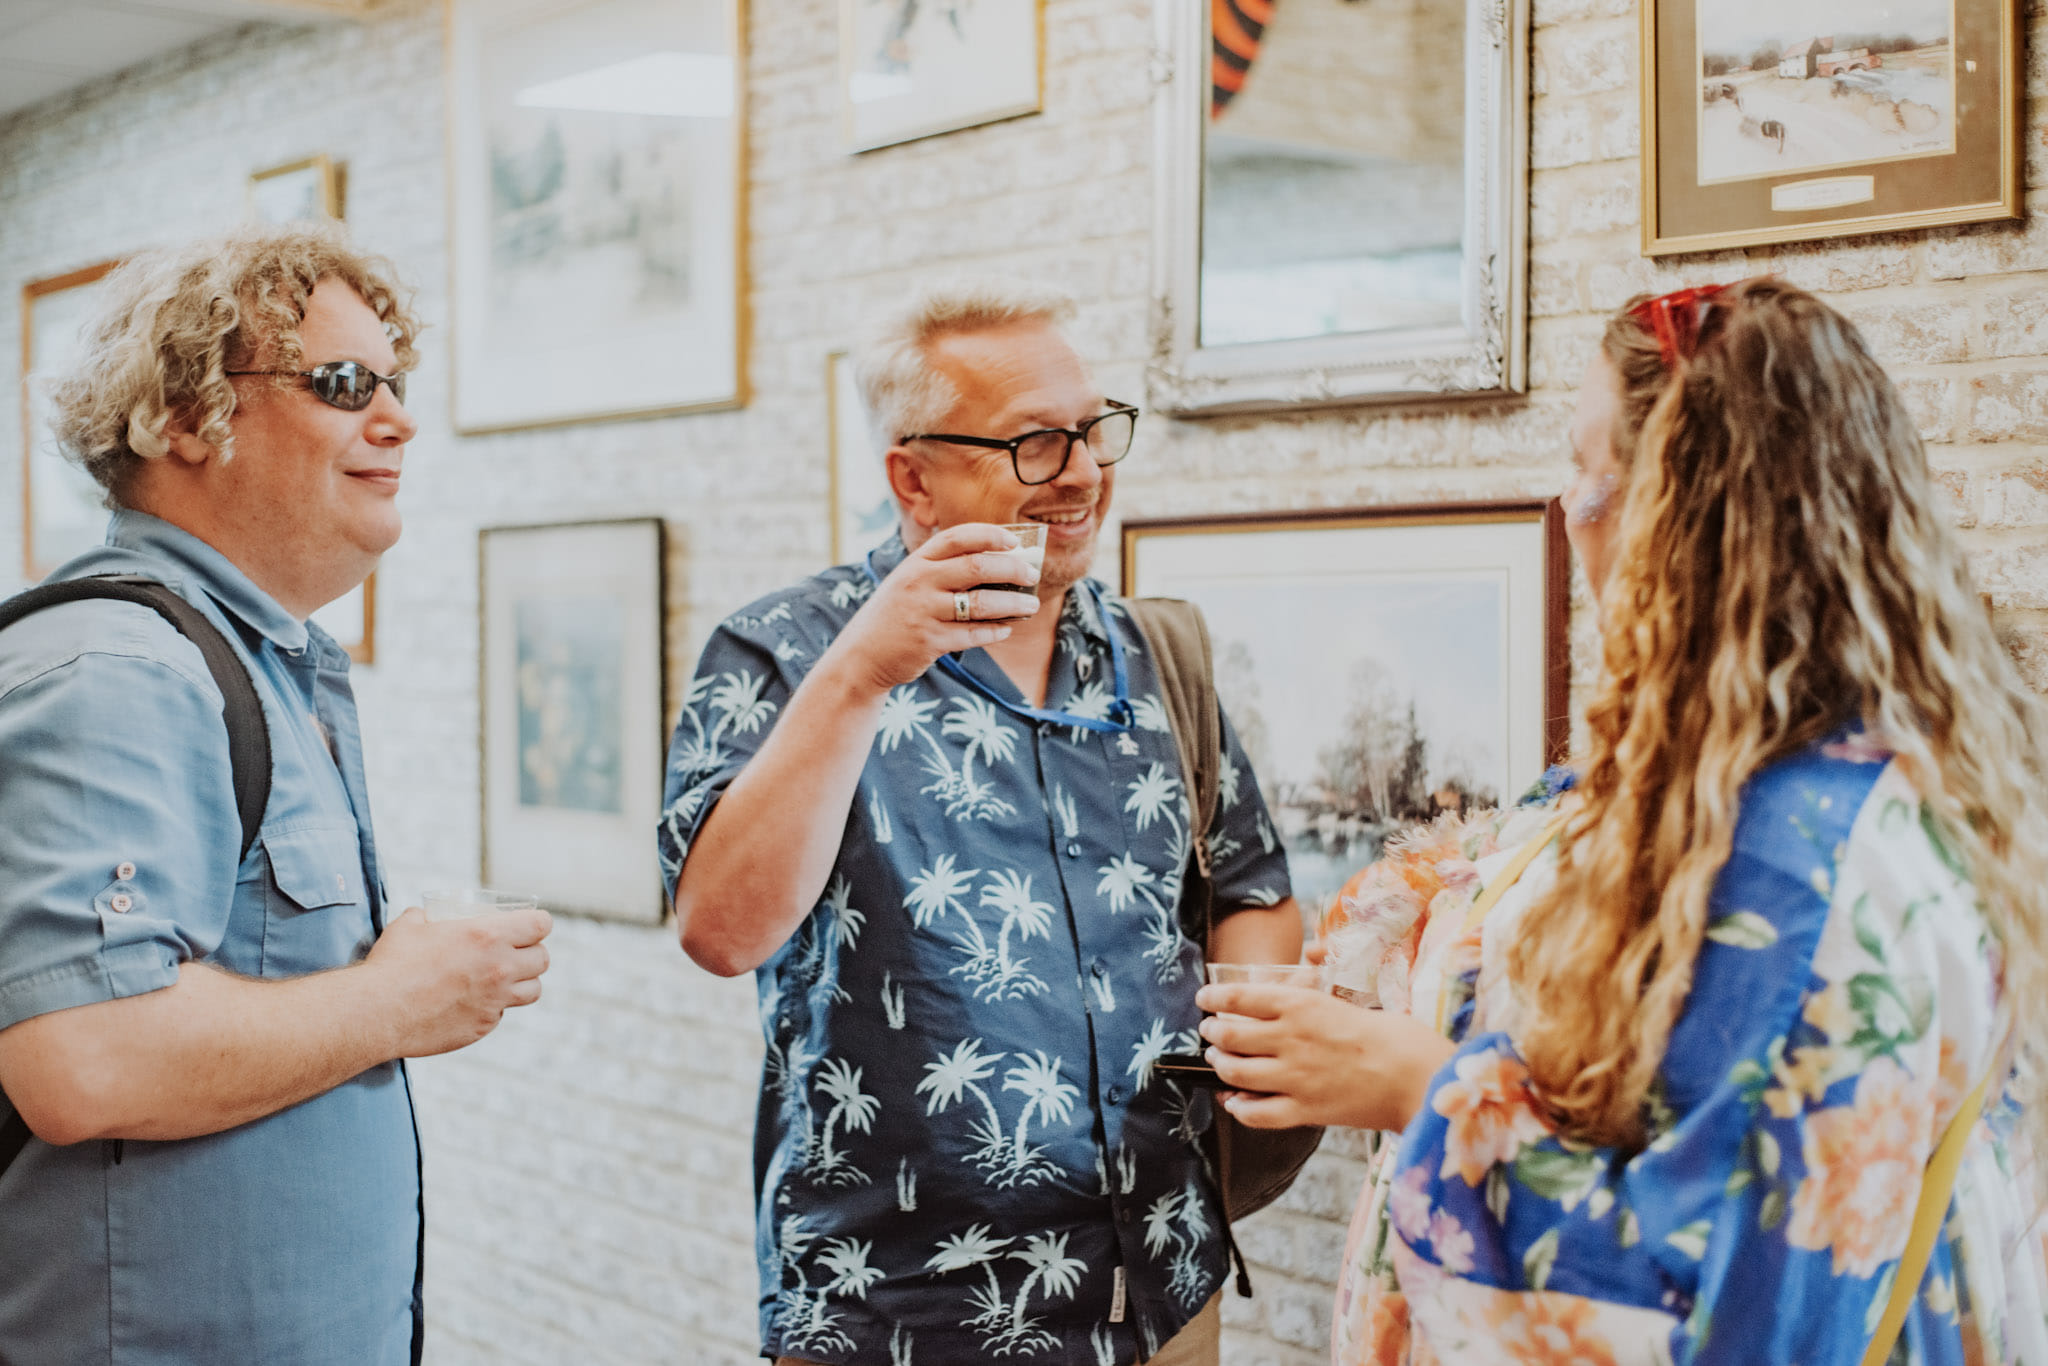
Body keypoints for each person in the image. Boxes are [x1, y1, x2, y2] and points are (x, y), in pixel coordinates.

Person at [1200, 277, 2048, 1363]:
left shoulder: (1782, 858)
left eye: (1585, 466)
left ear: (1682, 509)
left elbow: (1696, 1308)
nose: (1565, 505)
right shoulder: (1908, 769)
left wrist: (1415, 1083)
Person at [660, 279, 1304, 1366]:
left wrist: (1251, 1031)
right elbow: (720, 931)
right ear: (911, 476)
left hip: (1164, 1288)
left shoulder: (1153, 656)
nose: (1084, 472)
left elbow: (1249, 888)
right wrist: (862, 672)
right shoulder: (784, 652)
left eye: (1092, 430)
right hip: (904, 1316)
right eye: (1034, 443)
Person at [0, 225, 553, 1365]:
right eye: (342, 385)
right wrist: (398, 1000)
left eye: (395, 385)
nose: (395, 420)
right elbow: (82, 1058)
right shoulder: (123, 671)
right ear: (188, 415)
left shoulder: (263, 662)